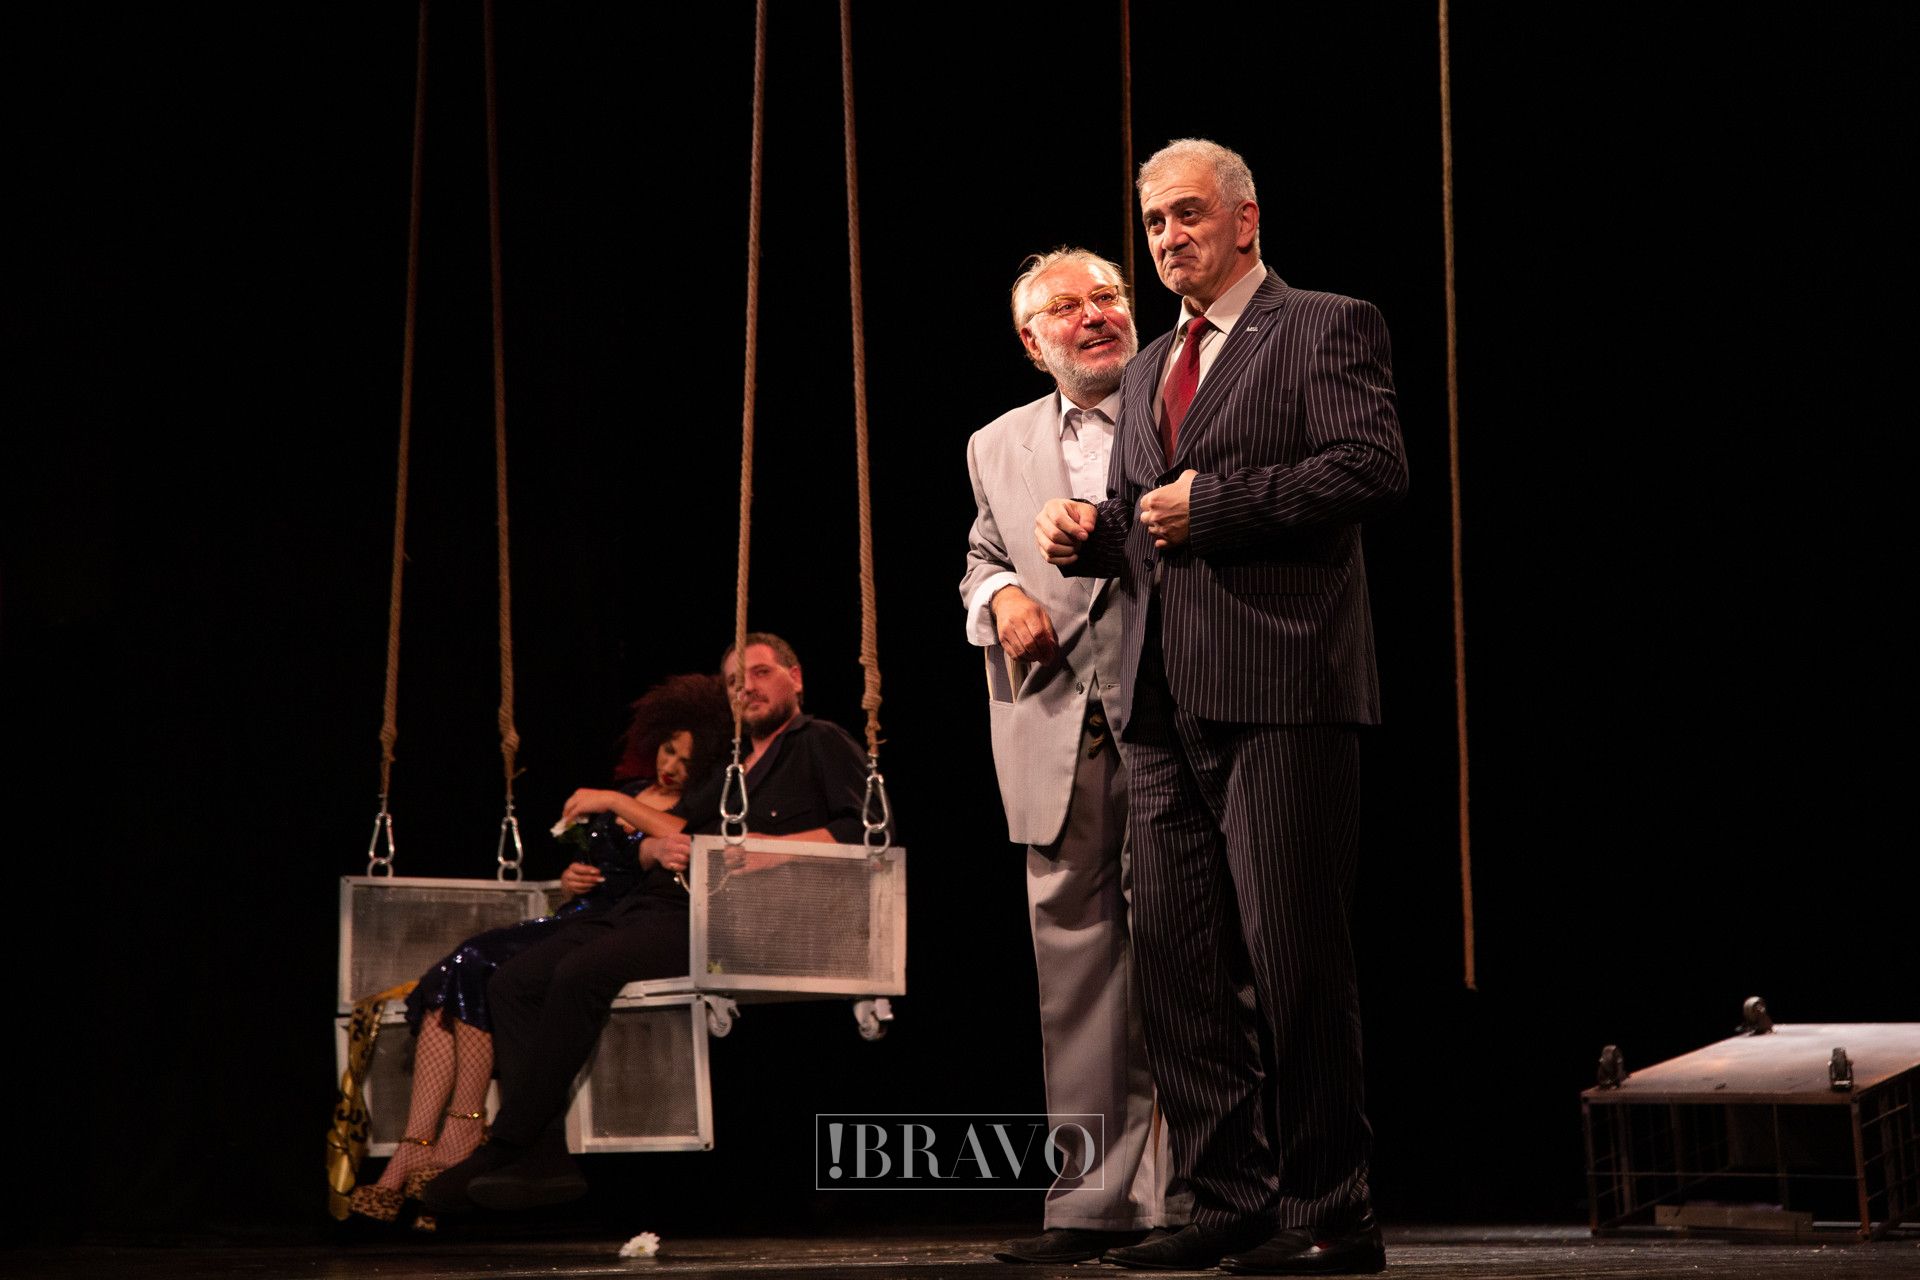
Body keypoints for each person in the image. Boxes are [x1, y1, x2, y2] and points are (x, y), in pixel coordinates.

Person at [1035, 138, 1407, 1275]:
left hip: (1284, 684)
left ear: (1246, 219)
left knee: (1294, 958)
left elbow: (1371, 467)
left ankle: (1331, 1208)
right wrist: (1092, 534)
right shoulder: (1151, 362)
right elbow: (1149, 517)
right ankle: (1225, 1196)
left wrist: (1221, 506)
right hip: (1161, 698)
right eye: (1154, 223)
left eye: (1189, 214)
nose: (1169, 238)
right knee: (1179, 965)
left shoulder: (1325, 324)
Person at [423, 632, 878, 1215]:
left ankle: (506, 1145)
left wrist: (772, 849)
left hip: (724, 919)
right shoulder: (732, 766)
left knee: (581, 973)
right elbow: (677, 830)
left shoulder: (819, 742)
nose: (746, 689)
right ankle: (543, 1156)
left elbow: (868, 830)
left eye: (761, 673)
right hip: (653, 903)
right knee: (513, 981)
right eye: (734, 683)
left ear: (796, 678)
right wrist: (648, 849)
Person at [959, 248, 1181, 1264]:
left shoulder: (1182, 399)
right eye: (1067, 307)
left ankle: (1200, 1193)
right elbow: (983, 553)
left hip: (1174, 710)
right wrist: (999, 595)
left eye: (1108, 297)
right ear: (1030, 339)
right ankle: (1093, 1205)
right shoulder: (995, 441)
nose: (1095, 315)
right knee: (1079, 970)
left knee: (1190, 952)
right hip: (1057, 725)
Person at [346, 674, 732, 1224]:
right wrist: (573, 877)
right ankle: (418, 1142)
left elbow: (674, 844)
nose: (671, 765)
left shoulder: (692, 805)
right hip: (582, 913)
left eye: (687, 760)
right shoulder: (638, 790)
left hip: (617, 923)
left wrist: (612, 802)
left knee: (485, 967)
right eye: (669, 749)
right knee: (457, 971)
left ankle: (465, 1132)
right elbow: (603, 864)